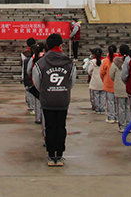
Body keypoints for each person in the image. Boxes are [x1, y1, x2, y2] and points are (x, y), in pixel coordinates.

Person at [32, 33, 76, 166]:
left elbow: (37, 82)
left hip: (47, 100)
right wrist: (63, 89)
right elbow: (72, 82)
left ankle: (51, 156)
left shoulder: (41, 63)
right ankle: (60, 155)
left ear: (47, 46)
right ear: (61, 45)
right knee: (61, 127)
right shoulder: (69, 62)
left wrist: (47, 91)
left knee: (50, 127)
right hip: (62, 100)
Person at [109, 44, 130, 133]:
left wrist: (117, 81)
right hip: (129, 87)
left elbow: (111, 74)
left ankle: (122, 126)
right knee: (129, 108)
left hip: (119, 87)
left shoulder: (116, 62)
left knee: (121, 108)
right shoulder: (130, 62)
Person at [100, 45, 119, 124]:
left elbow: (101, 72)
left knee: (110, 102)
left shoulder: (105, 61)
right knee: (118, 102)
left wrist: (104, 80)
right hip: (118, 83)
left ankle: (111, 117)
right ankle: (118, 117)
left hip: (108, 83)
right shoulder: (120, 60)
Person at [86, 48, 105, 114]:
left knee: (96, 96)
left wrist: (93, 75)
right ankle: (102, 108)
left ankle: (97, 108)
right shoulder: (104, 61)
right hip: (103, 81)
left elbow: (89, 71)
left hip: (94, 81)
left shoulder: (92, 62)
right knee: (103, 96)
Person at [21, 38, 36, 111]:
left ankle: (30, 105)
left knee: (28, 90)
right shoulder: (38, 53)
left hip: (27, 73)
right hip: (34, 74)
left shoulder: (24, 53)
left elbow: (22, 64)